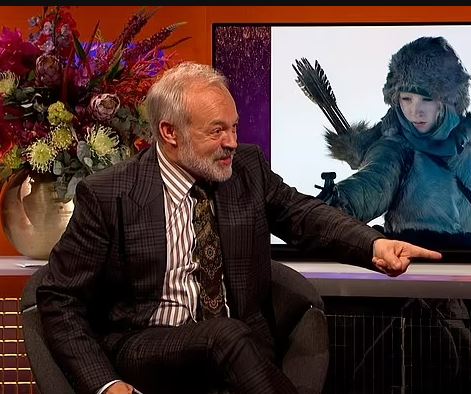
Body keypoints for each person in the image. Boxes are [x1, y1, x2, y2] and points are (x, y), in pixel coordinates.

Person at [35, 62, 442, 394]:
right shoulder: (112, 193)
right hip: (149, 344)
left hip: (243, 352)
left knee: (230, 338)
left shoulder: (247, 168)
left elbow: (304, 215)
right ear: (169, 133)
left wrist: (374, 244)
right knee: (223, 336)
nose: (233, 141)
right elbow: (58, 297)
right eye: (217, 130)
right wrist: (105, 385)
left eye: (234, 126)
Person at [294, 36, 471, 393]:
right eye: (405, 99)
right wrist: (335, 204)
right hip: (410, 293)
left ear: (448, 98)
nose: (415, 111)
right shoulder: (395, 149)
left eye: (425, 98)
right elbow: (367, 189)